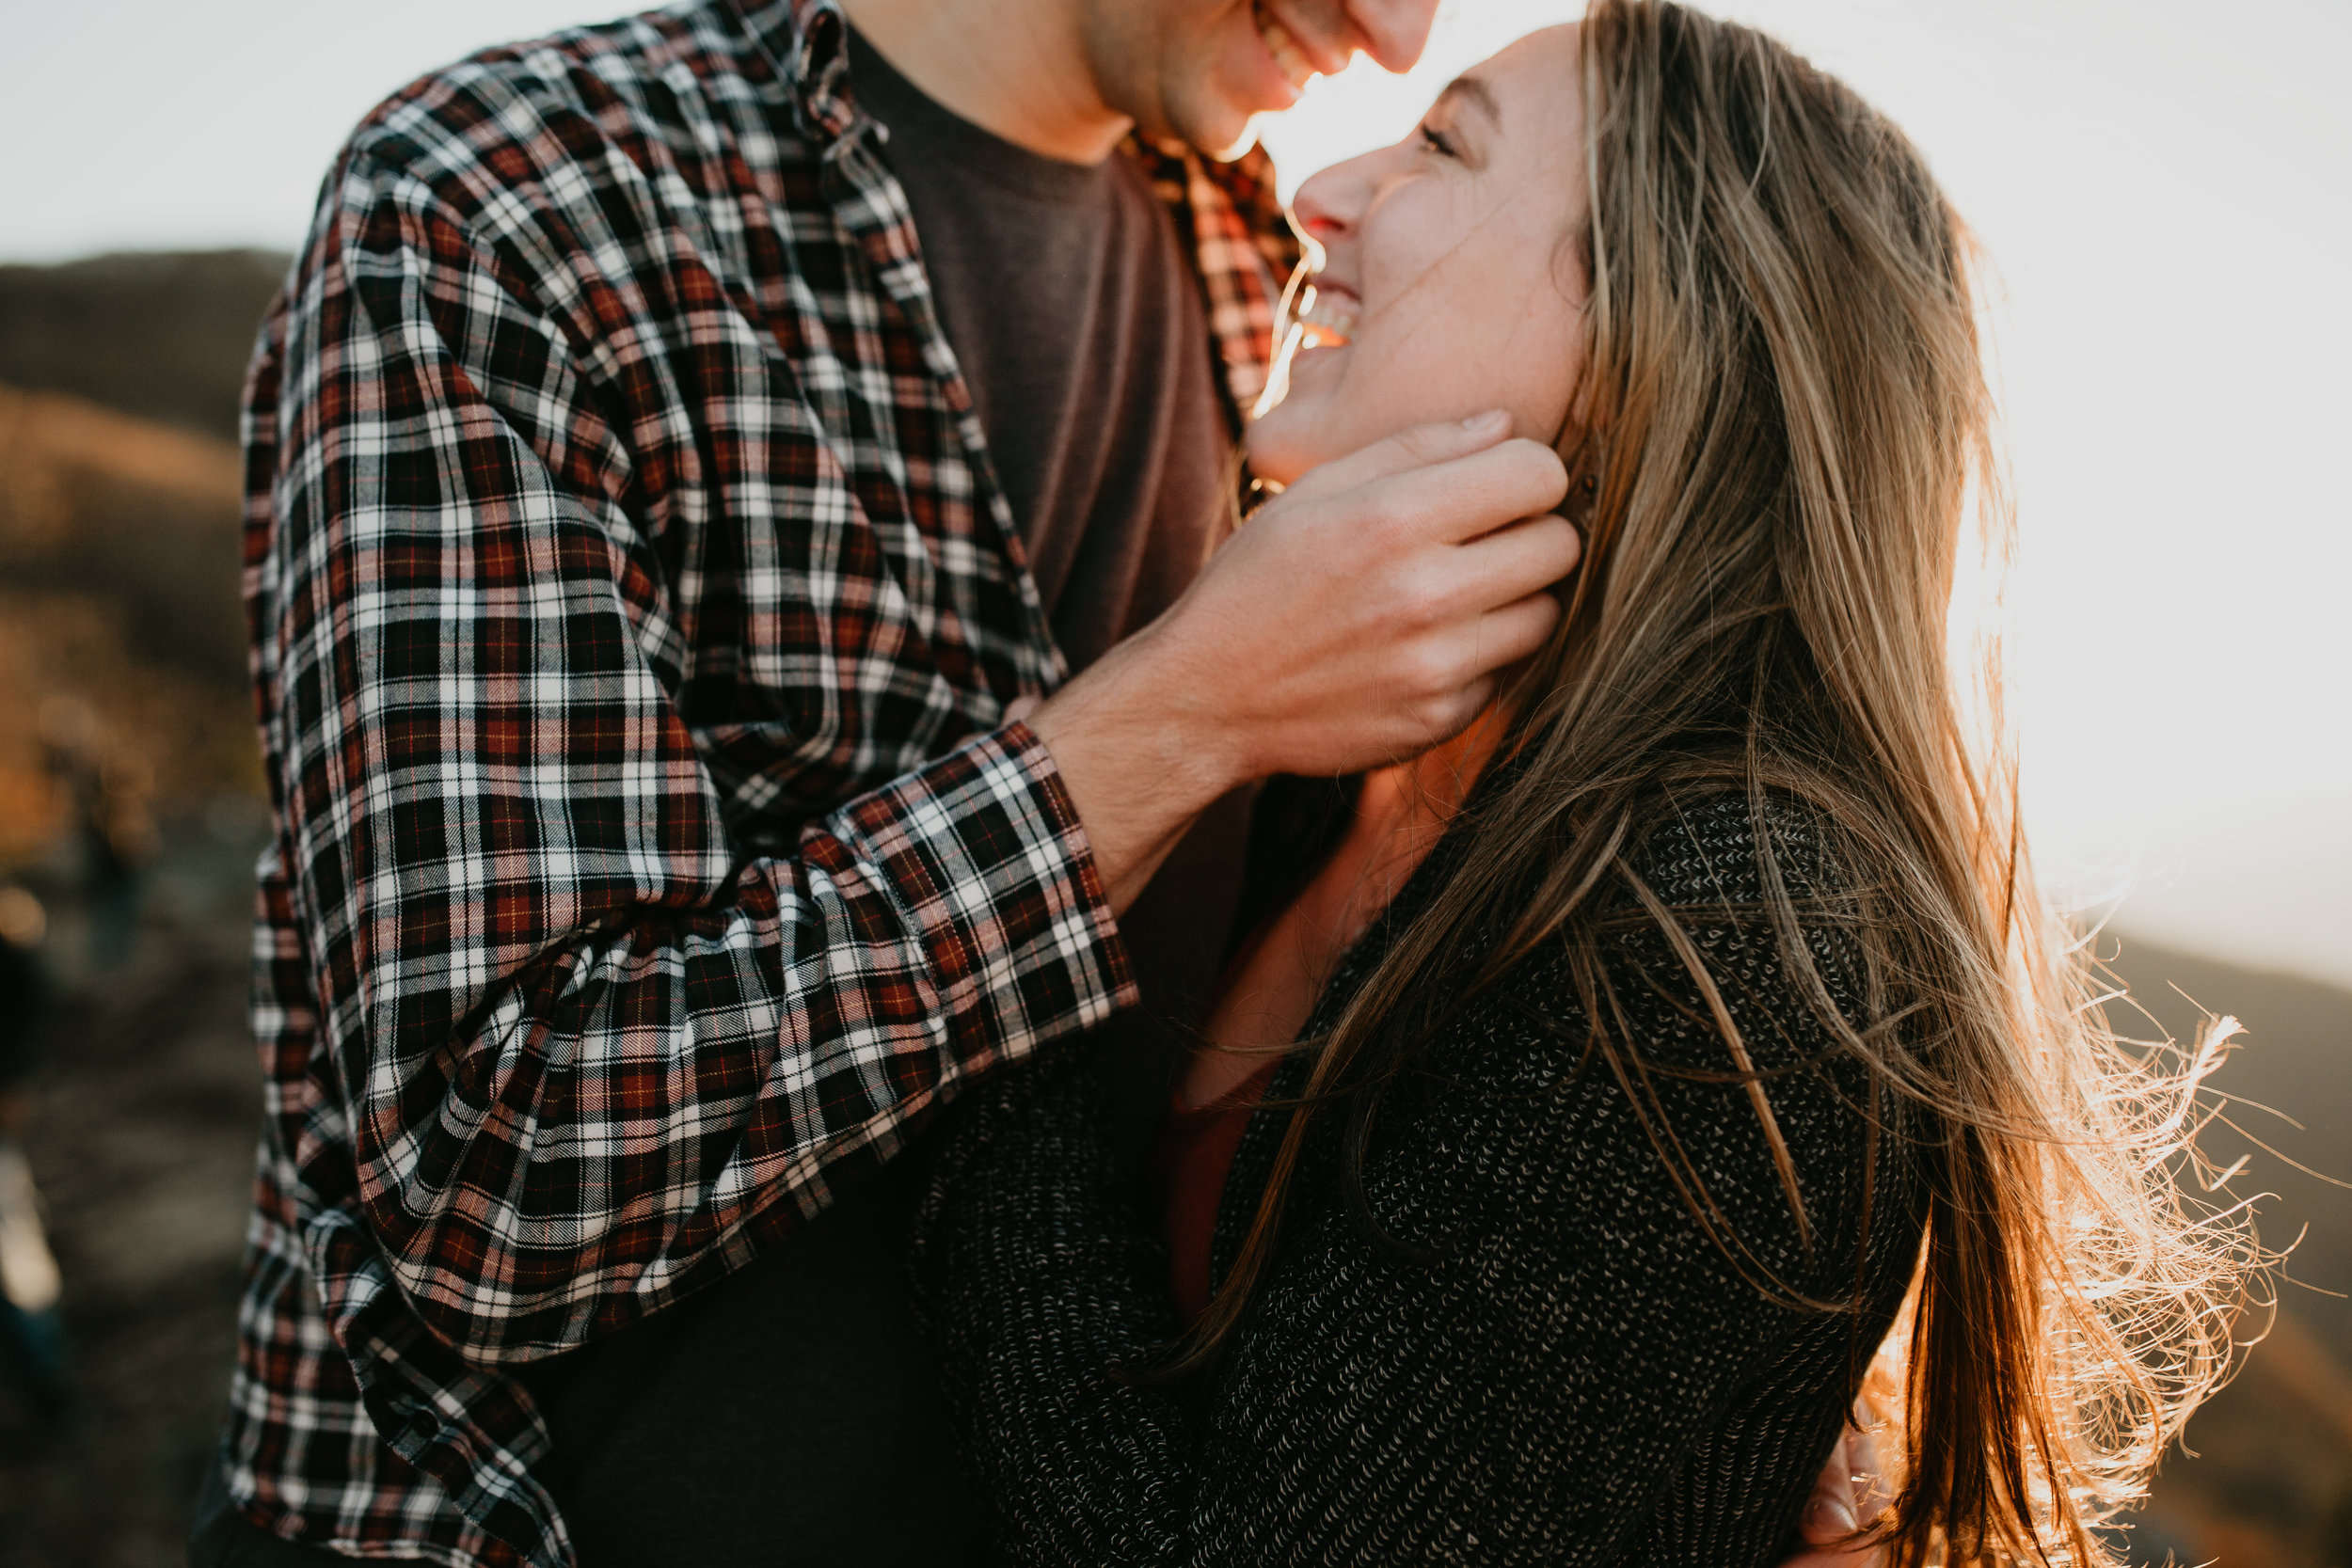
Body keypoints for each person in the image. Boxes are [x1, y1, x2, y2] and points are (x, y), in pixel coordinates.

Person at [192, 0, 1877, 1560]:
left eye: (1444, 128)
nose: (1388, 25)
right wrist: (1166, 726)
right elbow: (493, 1182)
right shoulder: (519, 204)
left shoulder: (1253, 275)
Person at [912, 6, 2250, 1564]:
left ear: (1649, 336)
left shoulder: (1731, 951)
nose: (1319, 188)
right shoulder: (1344, 769)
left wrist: (991, 918)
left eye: (1443, 142)